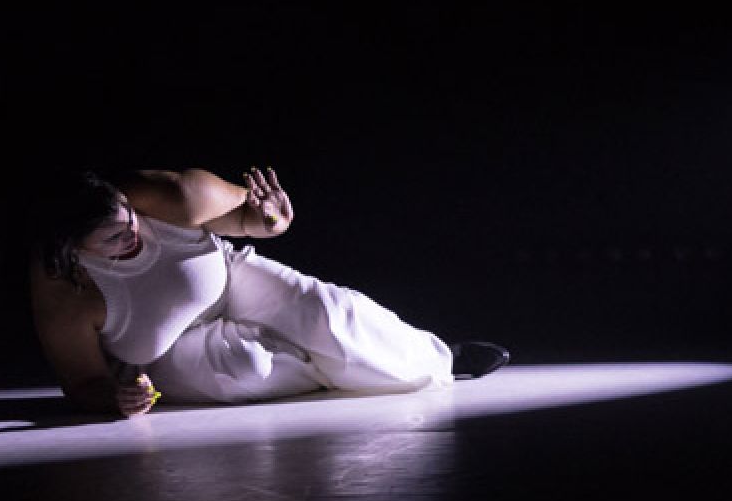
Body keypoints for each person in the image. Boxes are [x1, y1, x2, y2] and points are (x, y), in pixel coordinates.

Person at [25, 167, 508, 415]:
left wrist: (267, 220)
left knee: (330, 313)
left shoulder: (173, 194)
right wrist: (117, 397)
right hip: (163, 353)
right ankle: (354, 365)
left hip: (228, 280)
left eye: (128, 216)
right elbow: (82, 383)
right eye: (112, 237)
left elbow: (250, 219)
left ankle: (438, 356)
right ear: (74, 248)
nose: (131, 231)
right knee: (247, 367)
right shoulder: (63, 290)